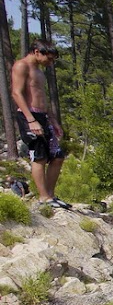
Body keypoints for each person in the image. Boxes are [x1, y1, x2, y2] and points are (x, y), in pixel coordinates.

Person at [11, 40, 70, 208]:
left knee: (57, 156)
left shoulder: (39, 71)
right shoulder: (21, 66)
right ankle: (43, 198)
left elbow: (42, 97)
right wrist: (31, 119)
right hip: (29, 115)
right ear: (37, 52)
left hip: (43, 116)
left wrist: (53, 120)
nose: (50, 63)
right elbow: (16, 93)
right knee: (40, 157)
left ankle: (50, 196)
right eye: (49, 59)